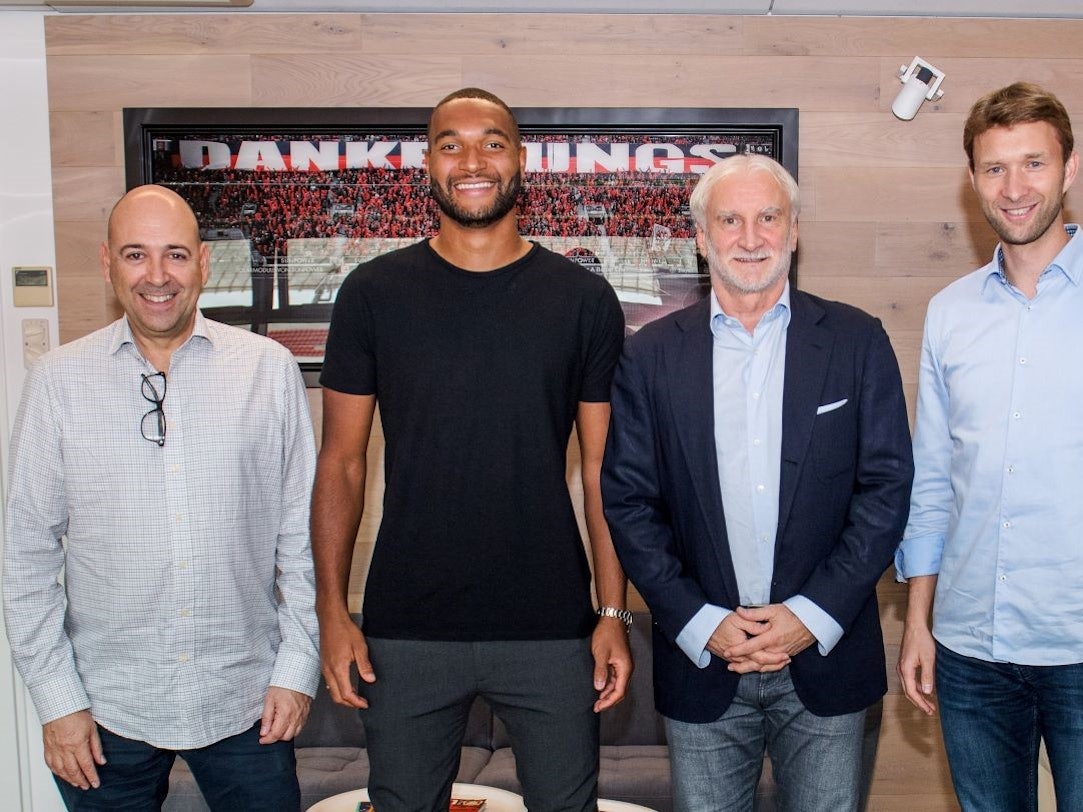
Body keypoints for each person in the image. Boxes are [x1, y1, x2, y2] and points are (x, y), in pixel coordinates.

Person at [312, 87, 632, 811]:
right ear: (426, 165)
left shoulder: (581, 300)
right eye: (449, 143)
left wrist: (611, 615)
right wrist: (333, 615)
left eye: (491, 141)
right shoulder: (371, 294)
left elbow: (602, 472)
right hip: (406, 629)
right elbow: (341, 462)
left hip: (552, 628)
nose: (471, 159)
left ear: (521, 162)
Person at [601, 154, 914, 812]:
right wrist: (698, 620)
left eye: (767, 217)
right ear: (700, 236)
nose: (750, 238)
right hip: (702, 662)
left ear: (794, 230)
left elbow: (885, 491)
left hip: (827, 660)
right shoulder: (648, 356)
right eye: (730, 220)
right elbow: (628, 503)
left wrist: (809, 615)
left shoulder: (856, 340)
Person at [2, 185, 320, 810]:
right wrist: (57, 699)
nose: (156, 276)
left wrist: (296, 669)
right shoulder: (56, 382)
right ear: (107, 264)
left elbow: (301, 537)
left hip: (248, 701)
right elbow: (26, 556)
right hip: (103, 711)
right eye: (135, 255)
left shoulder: (268, 370)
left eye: (175, 254)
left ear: (203, 262)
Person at [896, 81, 1083, 811]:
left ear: (1068, 170)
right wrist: (918, 621)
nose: (1013, 188)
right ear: (972, 179)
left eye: (1032, 164)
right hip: (971, 647)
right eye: (994, 168)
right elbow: (933, 481)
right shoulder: (949, 314)